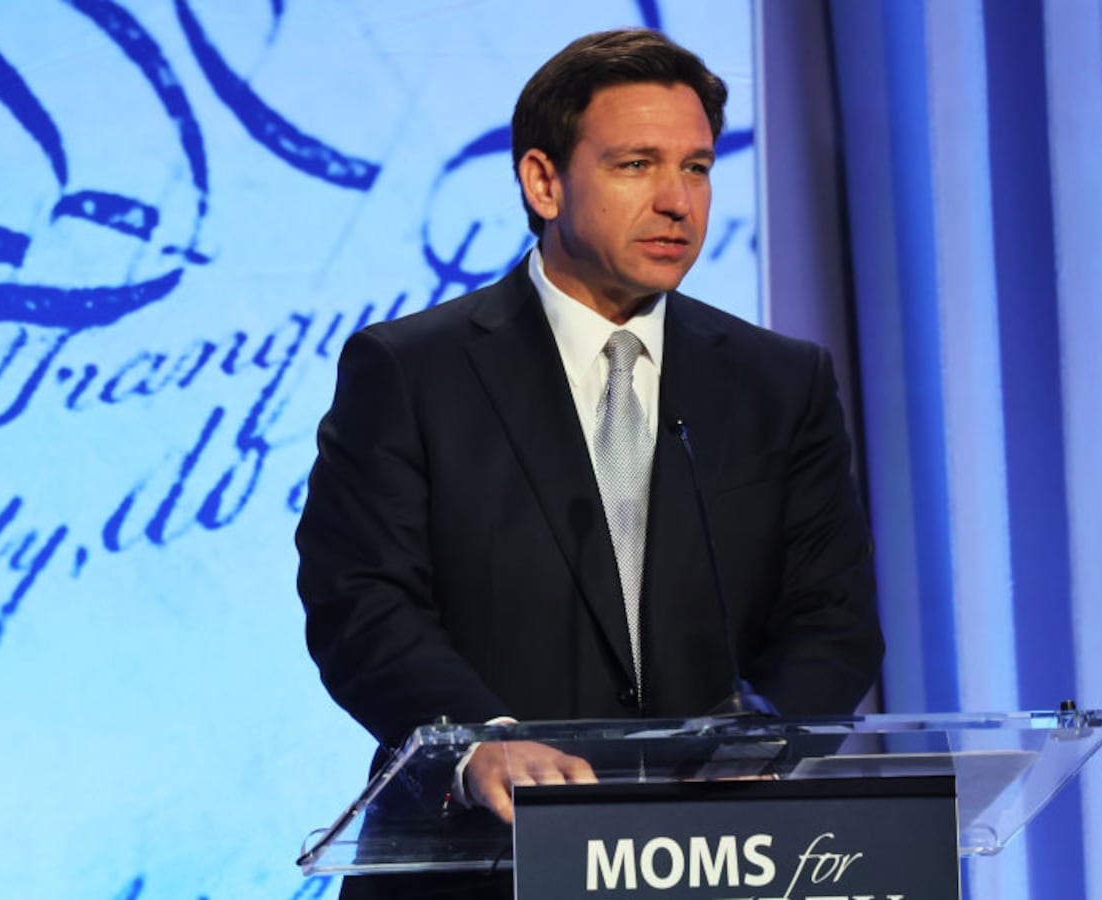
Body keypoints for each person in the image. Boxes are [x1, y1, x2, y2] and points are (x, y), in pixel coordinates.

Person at [295, 28, 882, 898]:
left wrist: (763, 743)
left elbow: (832, 616)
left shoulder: (778, 381)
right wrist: (477, 738)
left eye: (697, 167)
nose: (679, 201)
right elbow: (362, 602)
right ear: (543, 181)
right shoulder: (411, 371)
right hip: (478, 866)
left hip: (715, 864)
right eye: (636, 165)